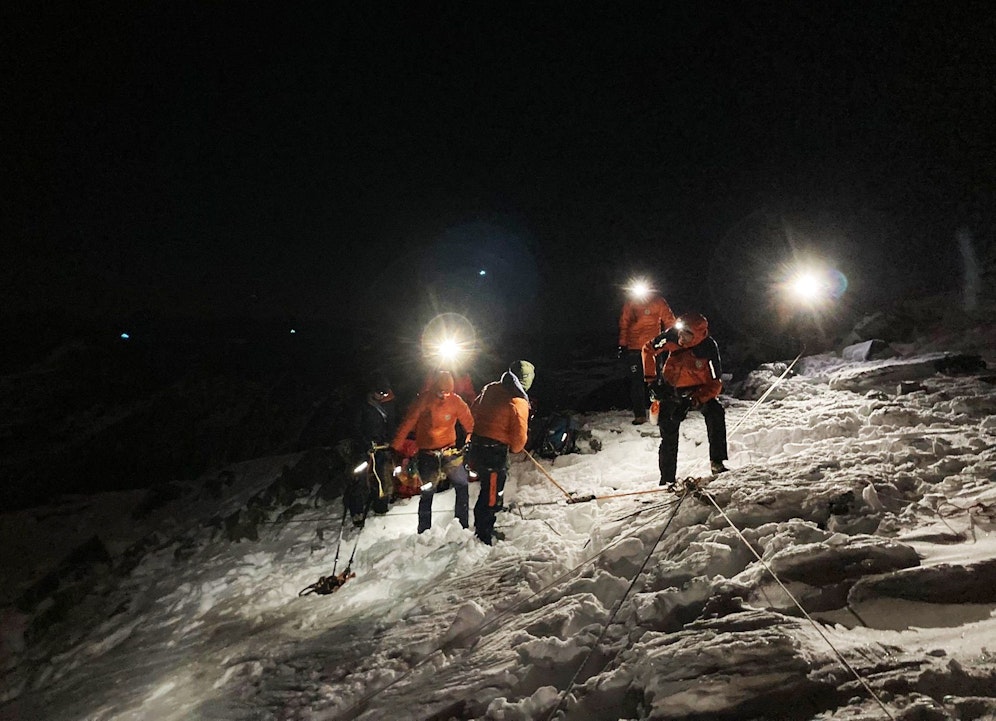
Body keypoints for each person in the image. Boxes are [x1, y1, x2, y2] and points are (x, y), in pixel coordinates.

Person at [642, 312, 728, 488]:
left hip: (698, 390)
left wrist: (694, 401)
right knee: (668, 428)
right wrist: (651, 381)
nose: (680, 338)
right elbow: (647, 349)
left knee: (715, 412)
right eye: (680, 333)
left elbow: (715, 384)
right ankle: (667, 479)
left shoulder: (708, 348)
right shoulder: (671, 336)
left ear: (698, 334)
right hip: (671, 388)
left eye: (686, 335)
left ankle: (717, 462)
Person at [391, 370, 475, 533]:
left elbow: (470, 424)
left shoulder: (456, 401)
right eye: (441, 391)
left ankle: (462, 526)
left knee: (462, 484)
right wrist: (395, 446)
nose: (444, 395)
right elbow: (408, 423)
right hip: (427, 454)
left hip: (449, 452)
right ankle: (424, 530)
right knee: (427, 491)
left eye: (447, 392)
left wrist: (470, 440)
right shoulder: (423, 400)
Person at [466, 360, 534, 545]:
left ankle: (485, 525)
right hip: (494, 453)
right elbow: (518, 443)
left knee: (488, 489)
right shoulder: (518, 401)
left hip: (477, 446)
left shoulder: (491, 388)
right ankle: (484, 534)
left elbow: (473, 411)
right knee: (492, 493)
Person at [618, 282, 675, 425]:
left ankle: (659, 412)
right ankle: (640, 415)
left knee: (657, 380)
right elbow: (624, 324)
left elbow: (669, 321)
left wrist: (671, 338)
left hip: (653, 348)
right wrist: (623, 345)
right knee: (636, 382)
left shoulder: (659, 302)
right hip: (635, 348)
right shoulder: (631, 303)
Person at [347, 373, 398, 526]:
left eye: (384, 392)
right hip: (364, 448)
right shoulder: (363, 405)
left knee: (381, 478)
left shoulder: (390, 404)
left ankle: (380, 507)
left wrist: (390, 441)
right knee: (359, 478)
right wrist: (365, 443)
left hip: (382, 448)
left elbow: (392, 424)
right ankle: (356, 511)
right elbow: (355, 427)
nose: (382, 395)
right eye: (379, 392)